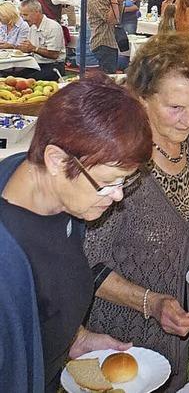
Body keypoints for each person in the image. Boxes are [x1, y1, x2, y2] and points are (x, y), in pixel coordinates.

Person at [84, 33, 189, 391]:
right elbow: (87, 266)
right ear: (141, 98)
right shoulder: (119, 163)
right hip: (120, 343)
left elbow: (186, 210)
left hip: (174, 334)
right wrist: (151, 303)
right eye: (175, 107)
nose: (188, 120)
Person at [0, 74, 153, 393]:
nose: (118, 196)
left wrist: (76, 337)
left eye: (126, 181)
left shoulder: (66, 202)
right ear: (56, 160)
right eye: (109, 181)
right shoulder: (7, 257)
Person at [17, 0, 65, 80]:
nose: (23, 19)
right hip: (36, 64)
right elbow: (30, 49)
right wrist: (24, 49)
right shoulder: (32, 27)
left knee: (26, 80)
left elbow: (54, 55)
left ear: (37, 12)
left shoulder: (53, 27)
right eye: (22, 15)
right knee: (13, 77)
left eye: (25, 15)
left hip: (54, 65)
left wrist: (34, 49)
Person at [87, 0, 123, 74]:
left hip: (108, 40)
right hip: (103, 42)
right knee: (108, 79)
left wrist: (119, 2)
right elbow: (113, 20)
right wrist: (114, 1)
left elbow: (117, 17)